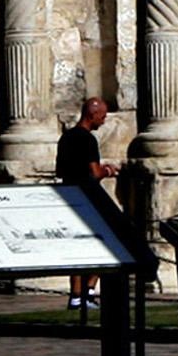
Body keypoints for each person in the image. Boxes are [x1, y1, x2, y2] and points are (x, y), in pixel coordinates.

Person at [55, 95, 118, 309]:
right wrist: (108, 170)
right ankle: (88, 291)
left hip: (69, 196)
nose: (104, 120)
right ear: (93, 115)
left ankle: (77, 294)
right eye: (102, 116)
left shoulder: (66, 138)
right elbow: (94, 173)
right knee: (108, 240)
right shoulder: (88, 140)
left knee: (77, 246)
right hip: (88, 197)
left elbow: (60, 170)